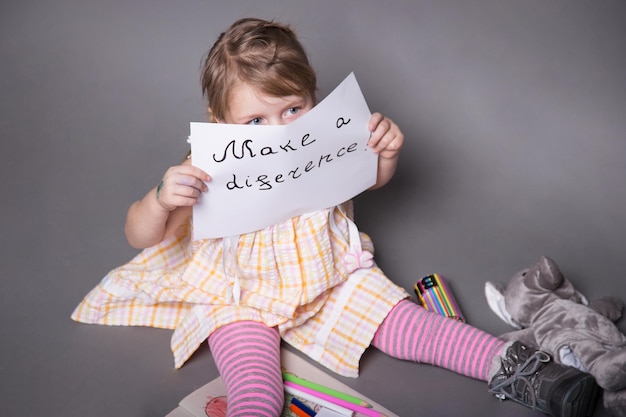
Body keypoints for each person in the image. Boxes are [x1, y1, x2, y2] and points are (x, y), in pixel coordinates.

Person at [72, 18, 600, 417]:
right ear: (219, 123)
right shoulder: (204, 169)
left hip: (330, 280)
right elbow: (140, 235)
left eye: (292, 110)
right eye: (255, 121)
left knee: (415, 326)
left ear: (313, 98)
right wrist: (161, 200)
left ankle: (531, 374)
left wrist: (384, 153)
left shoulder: (323, 142)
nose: (278, 131)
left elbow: (369, 179)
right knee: (255, 386)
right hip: (240, 298)